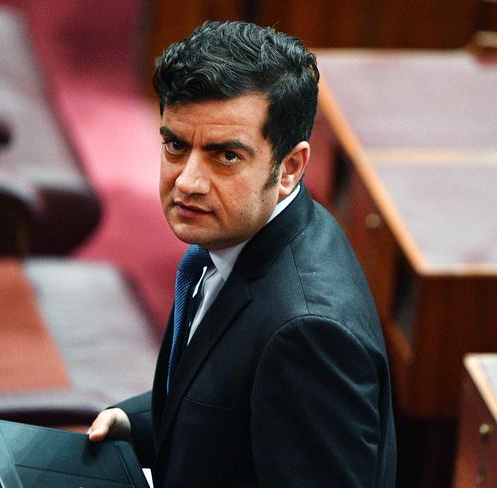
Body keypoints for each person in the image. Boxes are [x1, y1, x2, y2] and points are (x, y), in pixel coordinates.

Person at [88, 21, 396, 487]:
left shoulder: (308, 334)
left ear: (290, 167)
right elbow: (231, 397)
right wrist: (138, 421)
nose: (188, 181)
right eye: (175, 145)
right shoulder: (241, 238)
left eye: (225, 156)